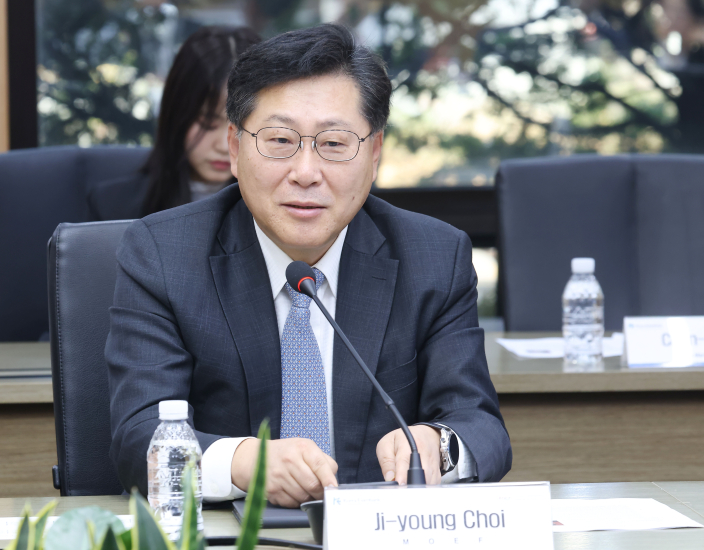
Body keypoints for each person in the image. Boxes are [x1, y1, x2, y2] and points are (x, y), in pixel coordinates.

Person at [106, 24, 511, 508]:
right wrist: (243, 463)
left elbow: (480, 426)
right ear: (235, 148)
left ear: (374, 154)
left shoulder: (434, 257)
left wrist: (438, 445)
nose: (305, 172)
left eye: (334, 143)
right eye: (279, 140)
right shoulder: (164, 254)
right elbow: (139, 439)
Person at [87, 26, 261, 221]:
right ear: (177, 113)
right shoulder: (113, 206)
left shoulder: (278, 209)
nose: (223, 146)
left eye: (241, 127)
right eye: (207, 122)